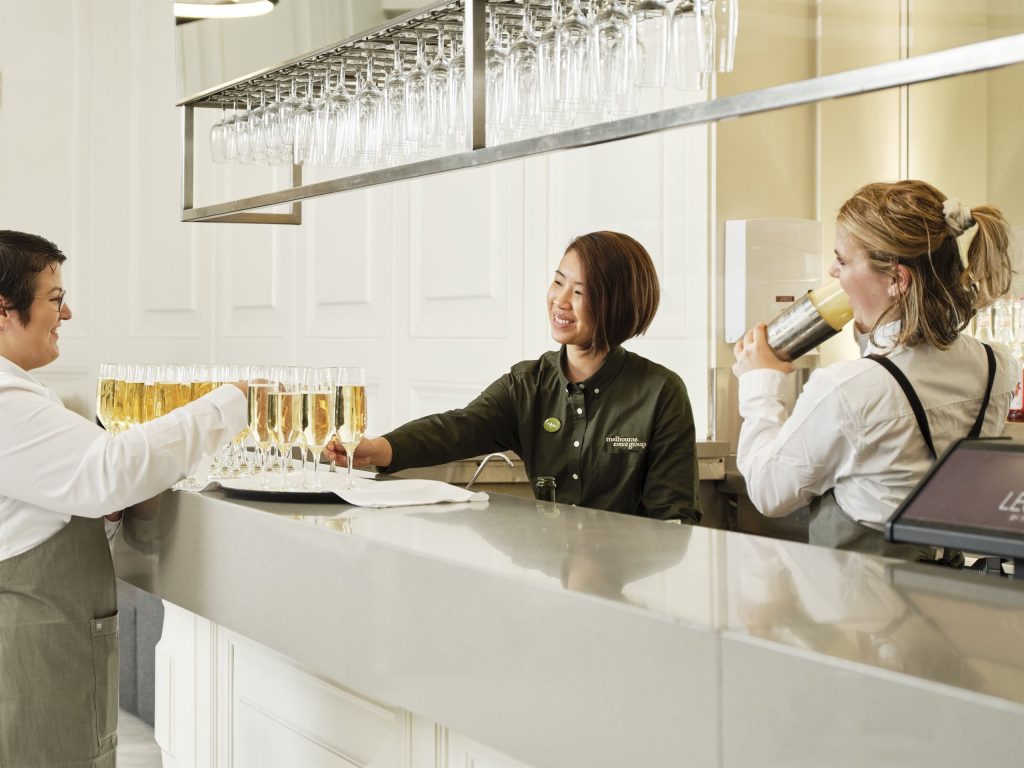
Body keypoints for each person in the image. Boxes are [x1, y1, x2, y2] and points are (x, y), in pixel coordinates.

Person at [0, 231, 248, 767]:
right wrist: (228, 404)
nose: (66, 314)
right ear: (3, 309)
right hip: (32, 651)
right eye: (55, 298)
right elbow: (109, 470)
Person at [327, 231, 702, 523]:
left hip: (631, 587)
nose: (560, 300)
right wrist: (375, 449)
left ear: (617, 304)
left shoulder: (661, 393)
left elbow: (674, 518)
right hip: (554, 581)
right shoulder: (527, 384)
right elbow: (458, 427)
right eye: (558, 282)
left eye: (580, 291)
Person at [732, 180, 1016, 558]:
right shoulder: (998, 367)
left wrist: (759, 383)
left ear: (897, 280)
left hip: (861, 609)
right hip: (945, 601)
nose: (833, 271)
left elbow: (768, 491)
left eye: (844, 260)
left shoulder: (847, 390)